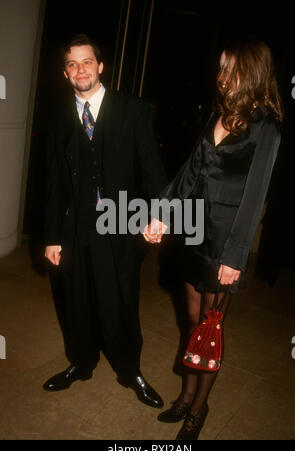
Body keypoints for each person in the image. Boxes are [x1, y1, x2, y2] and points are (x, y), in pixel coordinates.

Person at [144, 39, 283, 439]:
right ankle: (187, 395)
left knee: (209, 331)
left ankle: (199, 410)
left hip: (225, 242)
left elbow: (256, 196)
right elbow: (191, 171)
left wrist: (236, 257)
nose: (221, 77)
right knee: (191, 323)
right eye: (220, 67)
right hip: (193, 232)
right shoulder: (217, 113)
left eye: (230, 69)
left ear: (252, 73)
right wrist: (163, 214)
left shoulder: (266, 127)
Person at [43, 34, 167, 409]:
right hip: (75, 227)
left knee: (121, 302)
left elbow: (152, 170)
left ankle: (130, 370)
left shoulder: (133, 110)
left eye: (87, 61)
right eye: (72, 64)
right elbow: (51, 182)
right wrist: (52, 236)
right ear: (66, 73)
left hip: (121, 225)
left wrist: (159, 213)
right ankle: (80, 363)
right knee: (76, 301)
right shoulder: (57, 117)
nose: (80, 69)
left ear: (100, 66)